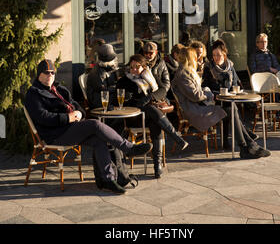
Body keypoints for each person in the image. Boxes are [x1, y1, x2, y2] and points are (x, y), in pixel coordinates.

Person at [24, 59, 152, 194]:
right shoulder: (34, 93)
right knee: (95, 124)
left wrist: (79, 112)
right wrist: (68, 117)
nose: (50, 75)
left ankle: (108, 180)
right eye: (46, 73)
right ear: (39, 74)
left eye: (52, 72)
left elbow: (77, 105)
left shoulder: (60, 89)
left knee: (99, 140)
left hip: (72, 129)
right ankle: (128, 148)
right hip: (56, 134)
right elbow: (43, 118)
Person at [117, 54, 189, 179]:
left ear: (144, 67)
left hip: (151, 116)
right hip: (134, 117)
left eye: (137, 67)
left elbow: (163, 90)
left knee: (155, 122)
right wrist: (147, 100)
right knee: (152, 110)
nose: (134, 70)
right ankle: (176, 138)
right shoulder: (124, 81)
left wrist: (150, 97)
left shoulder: (149, 77)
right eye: (131, 67)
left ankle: (157, 166)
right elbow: (131, 103)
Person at [202, 41, 271, 159]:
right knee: (232, 110)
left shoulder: (230, 66)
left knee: (232, 109)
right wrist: (219, 93)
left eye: (218, 55)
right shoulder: (208, 68)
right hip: (215, 101)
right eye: (213, 55)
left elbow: (234, 84)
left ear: (224, 54)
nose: (216, 58)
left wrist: (233, 91)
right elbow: (206, 88)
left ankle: (246, 146)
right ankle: (249, 144)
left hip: (230, 99)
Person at [172, 46, 226, 138]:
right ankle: (241, 141)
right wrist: (209, 94)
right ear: (191, 58)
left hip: (196, 105)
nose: (197, 59)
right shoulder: (183, 75)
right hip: (193, 109)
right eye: (195, 57)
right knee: (228, 110)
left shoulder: (185, 72)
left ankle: (244, 139)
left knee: (229, 109)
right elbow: (196, 96)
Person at [87, 43, 122, 110]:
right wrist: (117, 89)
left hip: (108, 97)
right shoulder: (97, 72)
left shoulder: (109, 68)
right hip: (99, 102)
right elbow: (102, 89)